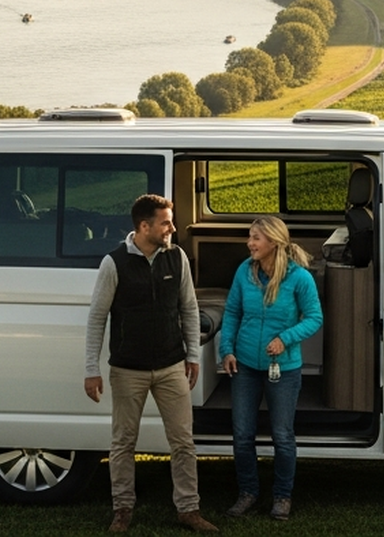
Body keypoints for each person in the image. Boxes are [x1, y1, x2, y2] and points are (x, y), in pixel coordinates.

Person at [84, 194, 217, 534]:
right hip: (128, 369)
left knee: (183, 442)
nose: (172, 227)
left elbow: (189, 308)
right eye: (166, 222)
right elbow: (97, 319)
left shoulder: (178, 258)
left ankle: (189, 509)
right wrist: (91, 370)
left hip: (172, 366)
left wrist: (192, 355)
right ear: (144, 226)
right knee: (124, 443)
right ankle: (122, 510)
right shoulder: (113, 263)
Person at [219, 216, 322, 521]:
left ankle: (282, 497)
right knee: (242, 434)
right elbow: (232, 311)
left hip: (284, 368)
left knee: (282, 435)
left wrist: (285, 339)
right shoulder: (244, 271)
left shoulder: (299, 278)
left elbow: (314, 318)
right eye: (250, 237)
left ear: (274, 242)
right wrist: (227, 349)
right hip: (246, 366)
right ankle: (248, 493)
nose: (250, 243)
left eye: (256, 239)